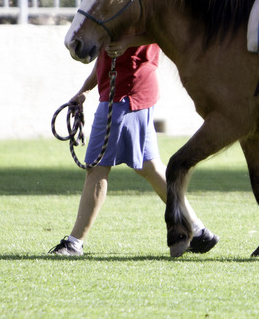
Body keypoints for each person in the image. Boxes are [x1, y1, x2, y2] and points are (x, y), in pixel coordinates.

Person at [49, 35, 218, 256]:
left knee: (97, 169)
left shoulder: (134, 17)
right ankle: (198, 231)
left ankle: (74, 243)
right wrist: (85, 91)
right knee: (149, 167)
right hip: (132, 94)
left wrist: (125, 44)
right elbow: (105, 60)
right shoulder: (116, 19)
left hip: (124, 96)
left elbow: (153, 33)